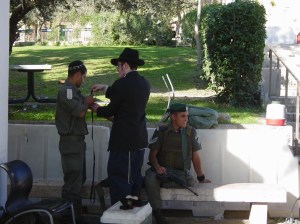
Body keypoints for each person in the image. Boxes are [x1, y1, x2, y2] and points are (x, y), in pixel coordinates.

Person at [90, 48, 150, 206]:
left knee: (120, 178)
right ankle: (134, 204)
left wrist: (95, 108)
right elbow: (123, 95)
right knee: (135, 176)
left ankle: (122, 210)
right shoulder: (144, 83)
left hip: (125, 142)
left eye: (118, 66)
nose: (117, 69)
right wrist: (104, 88)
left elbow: (110, 109)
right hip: (139, 139)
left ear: (125, 66)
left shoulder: (121, 84)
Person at [144, 103, 211, 224]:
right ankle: (157, 212)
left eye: (187, 116)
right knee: (150, 177)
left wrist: (201, 178)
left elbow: (195, 158)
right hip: (162, 172)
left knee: (189, 182)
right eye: (183, 116)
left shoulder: (191, 132)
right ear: (173, 117)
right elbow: (152, 155)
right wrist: (157, 167)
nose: (186, 119)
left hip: (180, 174)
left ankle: (153, 186)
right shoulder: (161, 131)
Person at [55, 60, 95, 221]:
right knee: (72, 185)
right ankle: (68, 218)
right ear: (77, 74)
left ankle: (75, 216)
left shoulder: (73, 91)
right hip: (71, 144)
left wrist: (87, 102)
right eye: (83, 77)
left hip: (76, 143)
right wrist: (86, 102)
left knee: (78, 181)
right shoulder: (67, 91)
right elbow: (79, 112)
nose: (83, 81)